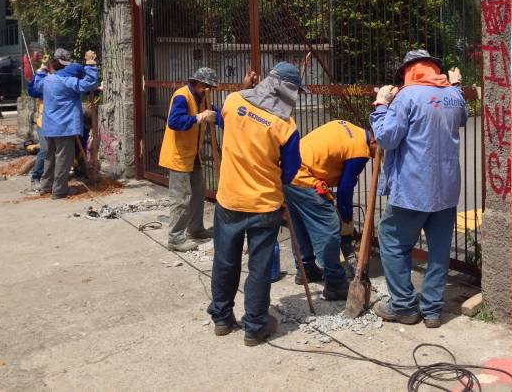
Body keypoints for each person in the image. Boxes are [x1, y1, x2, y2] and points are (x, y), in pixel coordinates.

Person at [208, 62, 303, 346]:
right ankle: (255, 326)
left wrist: (244, 88)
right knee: (259, 267)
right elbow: (290, 170)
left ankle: (222, 319)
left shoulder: (234, 101)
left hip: (230, 201)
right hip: (265, 205)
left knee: (225, 261)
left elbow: (226, 120)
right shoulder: (285, 125)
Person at [370, 50, 467, 328]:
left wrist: (380, 105)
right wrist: (457, 85)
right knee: (438, 250)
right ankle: (433, 311)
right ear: (434, 68)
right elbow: (461, 117)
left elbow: (387, 138)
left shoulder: (407, 97)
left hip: (412, 190)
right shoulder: (452, 95)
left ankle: (404, 306)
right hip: (446, 190)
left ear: (408, 71)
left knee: (392, 242)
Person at [283, 120, 376, 301]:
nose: (375, 157)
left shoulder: (352, 128)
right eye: (378, 151)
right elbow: (345, 189)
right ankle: (334, 283)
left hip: (288, 170)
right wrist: (346, 219)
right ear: (374, 142)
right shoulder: (359, 150)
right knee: (329, 226)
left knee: (300, 224)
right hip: (304, 176)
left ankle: (306, 270)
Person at [158, 67, 220, 252]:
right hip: (178, 156)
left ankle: (196, 229)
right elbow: (175, 122)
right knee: (181, 198)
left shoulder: (202, 99)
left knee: (198, 194)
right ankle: (175, 238)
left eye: (210, 87)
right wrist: (199, 118)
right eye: (205, 86)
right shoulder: (182, 96)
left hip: (193, 155)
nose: (207, 90)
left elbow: (219, 113)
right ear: (196, 83)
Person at [33, 49, 98, 199]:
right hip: (64, 126)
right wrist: (91, 65)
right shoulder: (67, 82)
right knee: (64, 158)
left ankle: (46, 186)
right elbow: (89, 83)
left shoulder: (47, 80)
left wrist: (42, 67)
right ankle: (60, 190)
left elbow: (37, 84)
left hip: (49, 126)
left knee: (51, 157)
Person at [27, 54, 50, 191]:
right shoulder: (44, 82)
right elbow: (34, 91)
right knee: (46, 149)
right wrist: (41, 72)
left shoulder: (63, 79)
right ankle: (36, 176)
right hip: (44, 122)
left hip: (60, 123)